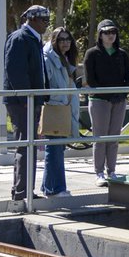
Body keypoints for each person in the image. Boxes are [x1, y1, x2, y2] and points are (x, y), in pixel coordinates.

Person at [4, 5, 49, 211]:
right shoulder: (20, 38)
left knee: (30, 145)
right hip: (22, 102)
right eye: (42, 19)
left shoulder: (33, 39)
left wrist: (42, 95)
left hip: (32, 100)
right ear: (31, 19)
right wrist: (25, 98)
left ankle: (26, 190)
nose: (46, 23)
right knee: (25, 145)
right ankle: (21, 192)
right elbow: (15, 71)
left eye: (47, 19)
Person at [83, 18, 129, 185]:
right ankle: (99, 172)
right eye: (106, 32)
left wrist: (121, 94)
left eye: (113, 32)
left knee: (113, 137)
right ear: (100, 35)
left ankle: (111, 170)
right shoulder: (91, 53)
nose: (110, 35)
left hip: (118, 100)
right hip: (99, 100)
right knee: (100, 138)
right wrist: (106, 93)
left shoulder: (122, 54)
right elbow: (90, 79)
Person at [41, 27, 80, 197]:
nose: (65, 42)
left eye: (68, 39)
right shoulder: (48, 59)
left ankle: (48, 187)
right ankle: (56, 189)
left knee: (58, 149)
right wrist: (62, 97)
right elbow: (46, 86)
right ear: (54, 41)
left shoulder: (65, 59)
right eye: (61, 39)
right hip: (56, 107)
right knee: (54, 149)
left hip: (65, 108)